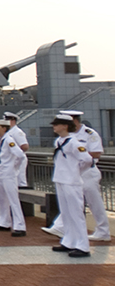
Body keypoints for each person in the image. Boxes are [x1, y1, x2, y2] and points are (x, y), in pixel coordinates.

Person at [43, 110, 110, 242]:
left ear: (73, 121)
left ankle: (103, 231)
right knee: (71, 201)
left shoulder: (89, 134)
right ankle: (60, 227)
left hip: (88, 171)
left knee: (94, 202)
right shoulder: (64, 138)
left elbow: (96, 153)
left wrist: (77, 161)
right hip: (72, 172)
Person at [49, 114, 92, 257]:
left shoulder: (74, 143)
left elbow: (87, 160)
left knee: (76, 214)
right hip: (60, 179)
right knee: (66, 213)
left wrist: (76, 171)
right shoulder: (59, 141)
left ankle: (83, 246)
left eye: (57, 124)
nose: (54, 127)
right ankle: (69, 241)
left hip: (71, 181)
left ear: (65, 126)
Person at [0, 119, 26, 236]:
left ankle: (20, 226)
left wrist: (14, 167)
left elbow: (20, 155)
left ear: (4, 128)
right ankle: (4, 222)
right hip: (0, 171)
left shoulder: (9, 140)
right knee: (1, 198)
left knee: (13, 199)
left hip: (8, 173)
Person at [3, 112, 30, 187]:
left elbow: (25, 146)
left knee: (20, 178)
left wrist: (16, 151)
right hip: (10, 159)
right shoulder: (8, 132)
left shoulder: (17, 132)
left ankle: (23, 192)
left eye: (7, 120)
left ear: (13, 121)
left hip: (18, 158)